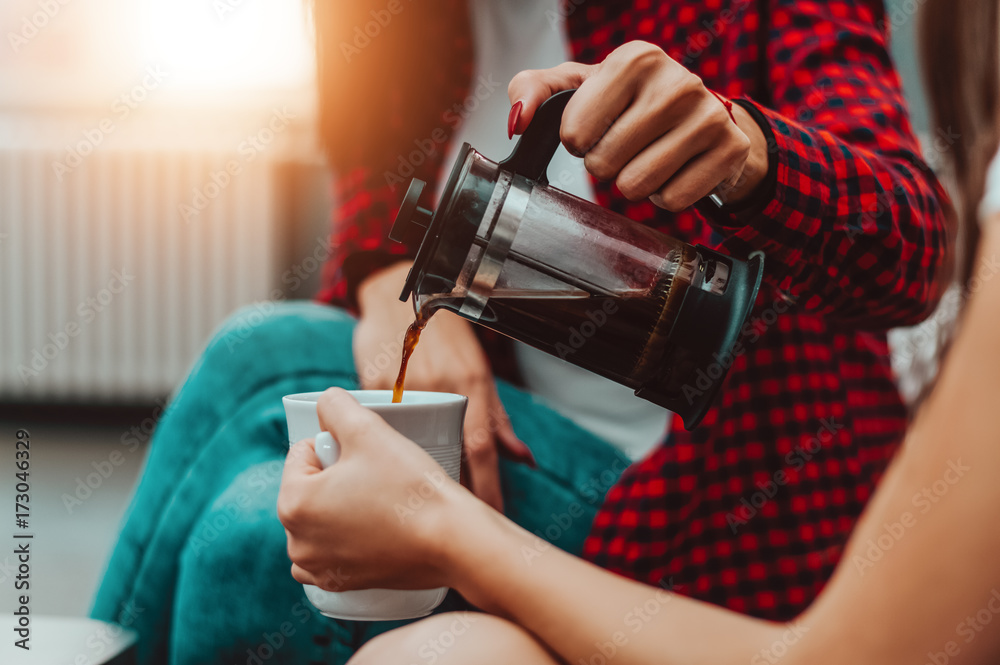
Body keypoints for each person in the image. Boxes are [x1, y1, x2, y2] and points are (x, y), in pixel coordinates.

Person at [92, 0, 950, 663]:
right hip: (514, 433)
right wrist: (390, 277)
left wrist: (747, 154)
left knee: (248, 533)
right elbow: (369, 166)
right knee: (258, 354)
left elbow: (917, 251)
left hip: (711, 497)